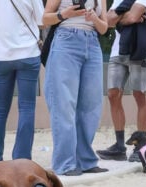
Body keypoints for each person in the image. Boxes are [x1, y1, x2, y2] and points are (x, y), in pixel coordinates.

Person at [43, 0, 110, 176]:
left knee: (91, 106)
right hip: (66, 40)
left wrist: (94, 17)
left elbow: (104, 28)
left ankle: (86, 161)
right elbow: (44, 18)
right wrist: (64, 14)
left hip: (93, 44)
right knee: (64, 105)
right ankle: (65, 163)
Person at [0, 0, 45, 165]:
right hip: (28, 53)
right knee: (26, 108)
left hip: (1, 55)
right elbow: (42, 20)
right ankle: (22, 158)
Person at [96, 0, 146, 162]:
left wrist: (120, 16)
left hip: (140, 50)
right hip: (118, 51)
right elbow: (107, 21)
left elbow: (132, 17)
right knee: (112, 94)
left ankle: (141, 146)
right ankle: (119, 146)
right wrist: (126, 16)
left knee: (140, 95)